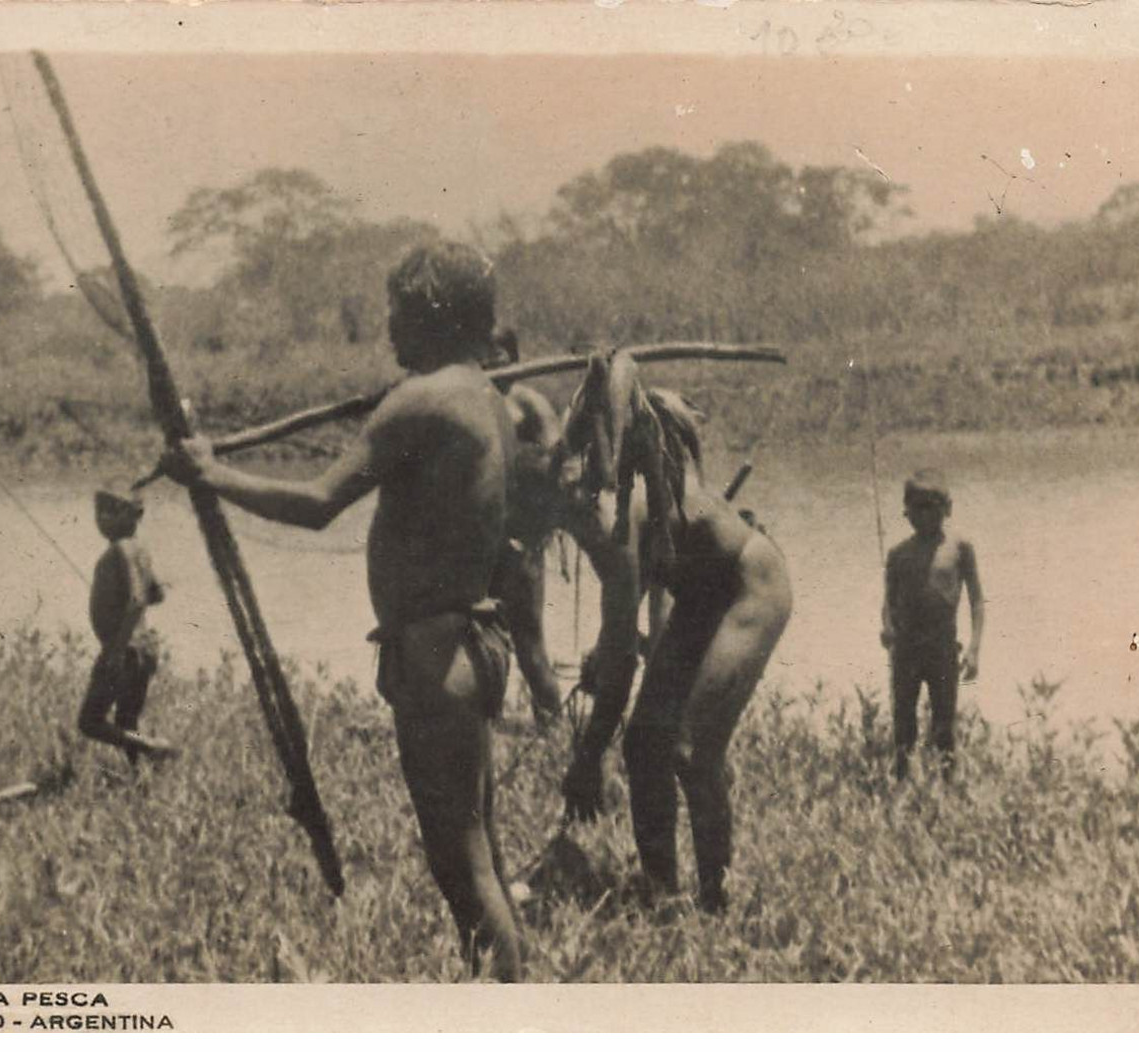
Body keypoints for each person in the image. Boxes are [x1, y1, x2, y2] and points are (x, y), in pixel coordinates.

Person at [159, 241, 524, 980]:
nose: (387, 331)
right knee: (480, 848)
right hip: (473, 641)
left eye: (398, 315)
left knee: (463, 867)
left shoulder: (418, 402)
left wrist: (209, 472)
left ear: (430, 317)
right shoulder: (489, 396)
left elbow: (318, 502)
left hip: (435, 650)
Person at [556, 352, 793, 914]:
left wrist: (588, 758)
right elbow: (627, 618)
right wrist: (609, 647)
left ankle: (717, 898)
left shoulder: (623, 511)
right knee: (643, 744)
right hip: (699, 596)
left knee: (691, 750)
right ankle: (664, 892)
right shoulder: (615, 506)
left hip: (749, 586)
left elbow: (620, 666)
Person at [880, 470, 985, 780]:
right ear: (906, 512)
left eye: (933, 506)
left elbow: (977, 600)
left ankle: (949, 789)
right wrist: (887, 627)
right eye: (918, 507)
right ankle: (902, 787)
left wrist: (975, 649)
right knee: (904, 725)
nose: (925, 514)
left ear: (948, 508)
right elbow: (889, 601)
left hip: (942, 650)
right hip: (906, 652)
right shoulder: (898, 554)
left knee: (944, 727)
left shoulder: (960, 548)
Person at [78, 486, 176, 762]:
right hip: (143, 649)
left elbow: (137, 599)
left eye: (110, 512)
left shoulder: (121, 549)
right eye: (99, 512)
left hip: (126, 650)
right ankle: (138, 780)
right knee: (126, 721)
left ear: (133, 515)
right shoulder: (139, 549)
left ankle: (155, 748)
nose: (102, 519)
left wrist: (116, 651)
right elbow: (156, 594)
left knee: (89, 722)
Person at [493, 382, 566, 727]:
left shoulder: (528, 402)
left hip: (519, 541)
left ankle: (551, 726)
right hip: (477, 540)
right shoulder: (469, 395)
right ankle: (486, 723)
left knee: (529, 644)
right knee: (481, 635)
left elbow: (560, 464)